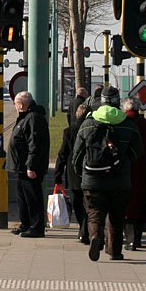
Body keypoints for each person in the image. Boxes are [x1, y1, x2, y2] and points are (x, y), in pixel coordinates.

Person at [72, 86, 142, 261]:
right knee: (117, 216)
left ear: (101, 101)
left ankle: (96, 237)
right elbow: (138, 151)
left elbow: (77, 155)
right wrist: (124, 161)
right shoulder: (128, 125)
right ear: (118, 102)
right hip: (120, 180)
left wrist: (82, 174)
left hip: (92, 179)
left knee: (94, 213)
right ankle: (115, 251)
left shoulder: (88, 124)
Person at [6, 91, 50, 238]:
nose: (15, 106)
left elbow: (34, 144)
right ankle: (25, 224)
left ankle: (36, 227)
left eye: (15, 104)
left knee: (32, 197)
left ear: (21, 104)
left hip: (28, 167)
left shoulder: (33, 118)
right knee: (22, 197)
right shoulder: (26, 117)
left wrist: (31, 166)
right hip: (21, 167)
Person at [121, 97, 146, 250]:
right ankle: (137, 239)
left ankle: (130, 240)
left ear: (125, 108)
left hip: (127, 172)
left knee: (128, 206)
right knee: (143, 204)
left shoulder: (122, 124)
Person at [54, 103, 89, 244]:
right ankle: (86, 230)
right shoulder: (94, 129)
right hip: (90, 171)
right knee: (90, 203)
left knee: (77, 201)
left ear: (76, 115)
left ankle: (83, 228)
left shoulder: (69, 131)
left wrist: (57, 174)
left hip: (73, 172)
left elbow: (62, 154)